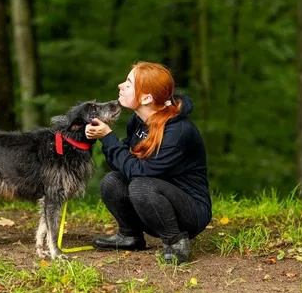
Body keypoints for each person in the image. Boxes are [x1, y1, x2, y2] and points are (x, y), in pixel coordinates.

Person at [85, 61, 211, 264]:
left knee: (140, 185)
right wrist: (101, 138)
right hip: (154, 201)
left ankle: (175, 241)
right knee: (112, 181)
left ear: (146, 98)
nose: (121, 85)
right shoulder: (139, 121)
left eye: (128, 83)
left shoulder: (177, 132)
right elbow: (125, 161)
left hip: (190, 212)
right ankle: (129, 235)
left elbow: (140, 172)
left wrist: (108, 137)